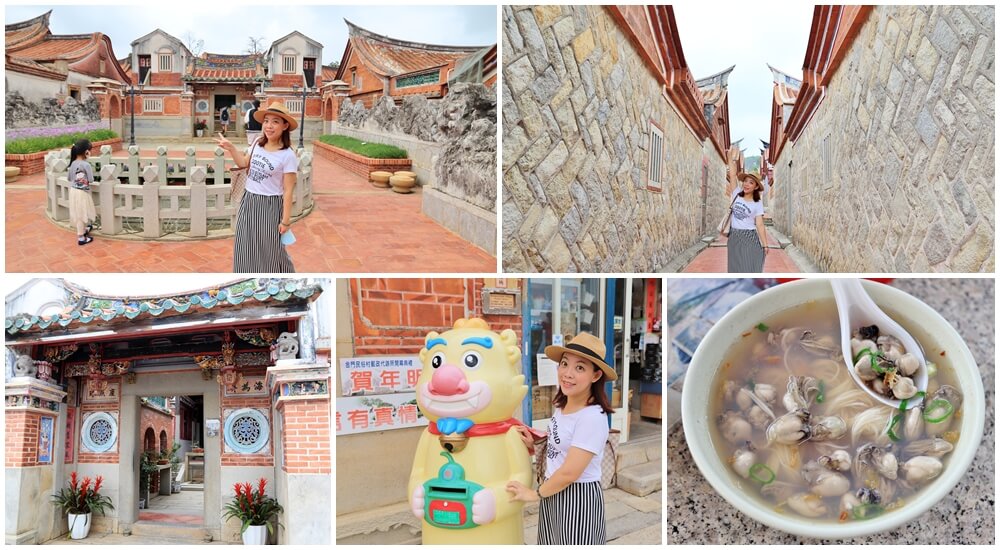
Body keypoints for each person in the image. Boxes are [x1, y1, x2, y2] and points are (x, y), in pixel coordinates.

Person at [506, 332, 615, 544]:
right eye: (564, 364)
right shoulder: (563, 404)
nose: (567, 373)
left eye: (580, 368)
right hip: (553, 489)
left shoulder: (592, 417)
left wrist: (533, 494)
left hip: (577, 497)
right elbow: (560, 444)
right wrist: (535, 442)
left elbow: (570, 472)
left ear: (596, 376)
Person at [215, 101, 298, 272]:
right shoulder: (257, 144)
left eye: (275, 121)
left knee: (272, 250)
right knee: (245, 246)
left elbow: (288, 190)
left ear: (285, 126)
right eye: (266, 121)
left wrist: (286, 221)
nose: (269, 126)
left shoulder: (288, 155)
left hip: (270, 206)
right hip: (249, 200)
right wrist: (231, 148)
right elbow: (244, 163)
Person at [726, 172, 769, 273]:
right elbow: (732, 175)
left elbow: (759, 224)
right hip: (734, 236)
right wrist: (731, 157)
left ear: (756, 186)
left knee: (750, 265)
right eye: (745, 181)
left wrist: (765, 245)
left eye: (751, 182)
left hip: (749, 236)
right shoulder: (736, 193)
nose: (746, 184)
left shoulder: (757, 203)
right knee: (735, 267)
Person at [68, 139, 97, 246]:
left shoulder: (72, 164)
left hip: (73, 191)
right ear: (86, 152)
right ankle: (81, 237)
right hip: (82, 193)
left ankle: (84, 230)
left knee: (79, 212)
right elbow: (91, 179)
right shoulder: (86, 165)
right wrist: (87, 161)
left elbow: (69, 178)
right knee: (82, 213)